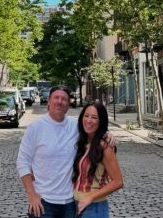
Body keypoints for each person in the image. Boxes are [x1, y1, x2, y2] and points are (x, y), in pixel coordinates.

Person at [16, 86, 115, 218]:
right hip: (43, 201)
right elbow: (23, 162)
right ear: (49, 101)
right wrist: (32, 195)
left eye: (64, 99)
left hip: (70, 203)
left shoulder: (76, 126)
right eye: (56, 98)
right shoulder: (35, 128)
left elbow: (93, 129)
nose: (60, 101)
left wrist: (107, 134)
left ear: (68, 104)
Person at [73, 102, 123, 218]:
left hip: (94, 208)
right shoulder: (83, 142)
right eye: (86, 116)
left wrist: (90, 197)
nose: (89, 120)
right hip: (76, 205)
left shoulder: (104, 147)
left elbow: (118, 181)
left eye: (94, 117)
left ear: (101, 122)